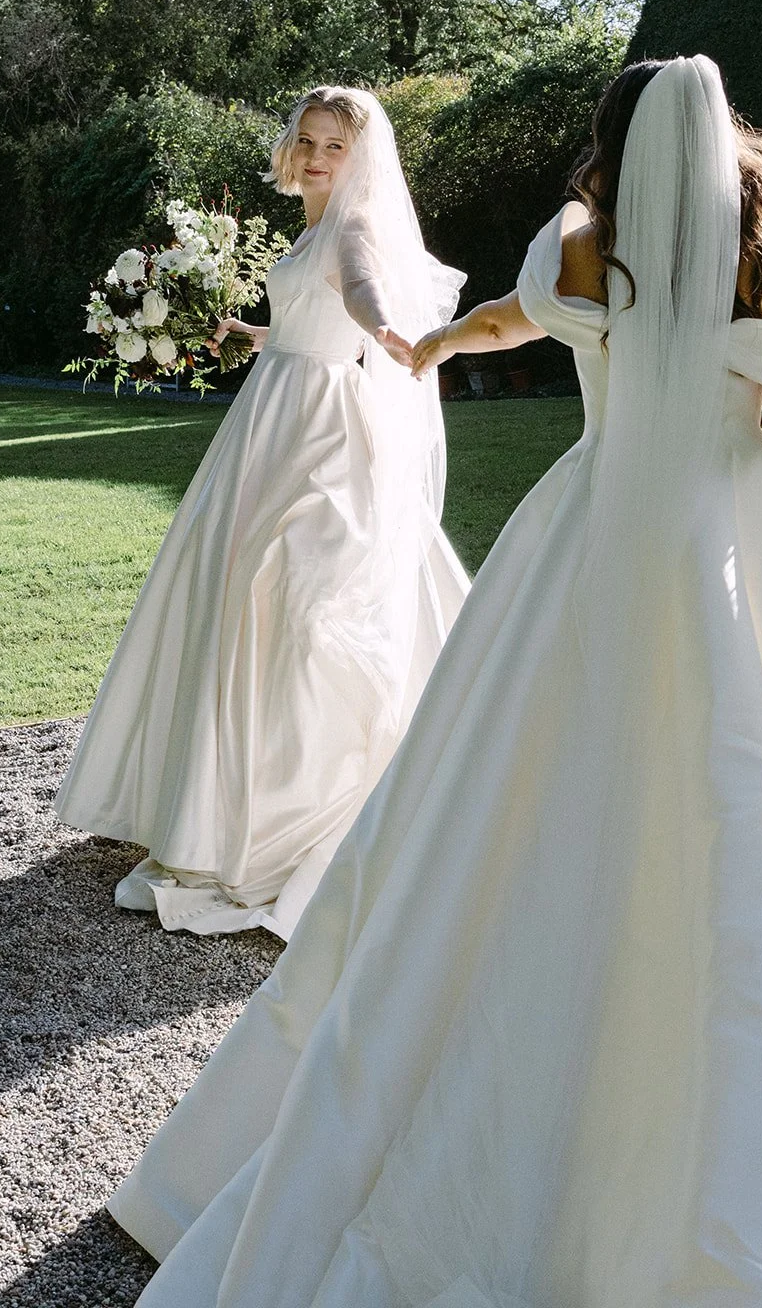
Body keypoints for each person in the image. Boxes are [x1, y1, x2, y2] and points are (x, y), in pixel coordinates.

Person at [108, 58, 762, 1305]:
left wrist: (435, 342)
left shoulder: (580, 245)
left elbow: (510, 317)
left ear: (615, 142)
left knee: (501, 800)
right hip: (741, 543)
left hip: (589, 532)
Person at [54, 87, 469, 939]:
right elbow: (301, 323)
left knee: (289, 592)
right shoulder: (310, 229)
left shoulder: (352, 230)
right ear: (290, 147)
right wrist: (238, 329)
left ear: (361, 159)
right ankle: (216, 798)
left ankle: (284, 810)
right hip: (272, 412)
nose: (319, 157)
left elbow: (357, 293)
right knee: (237, 592)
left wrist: (391, 332)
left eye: (335, 146)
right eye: (309, 141)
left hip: (314, 430)